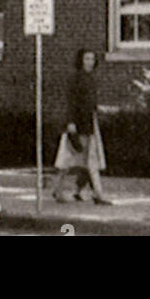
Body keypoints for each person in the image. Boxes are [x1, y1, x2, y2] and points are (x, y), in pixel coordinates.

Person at [51, 48, 112, 204]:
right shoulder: (76, 79)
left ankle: (74, 190)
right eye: (86, 59)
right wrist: (70, 122)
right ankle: (97, 194)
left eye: (92, 59)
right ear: (80, 60)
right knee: (82, 159)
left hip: (89, 122)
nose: (90, 62)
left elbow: (90, 102)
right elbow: (72, 102)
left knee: (84, 159)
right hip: (78, 124)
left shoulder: (91, 79)